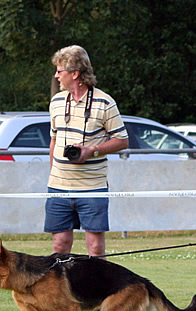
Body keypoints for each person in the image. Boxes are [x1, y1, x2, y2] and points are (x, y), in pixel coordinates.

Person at [46, 45, 129, 257]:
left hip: (92, 186)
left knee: (95, 248)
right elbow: (53, 140)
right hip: (58, 187)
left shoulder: (105, 102)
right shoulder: (56, 101)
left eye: (59, 71)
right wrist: (53, 173)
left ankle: (97, 290)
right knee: (59, 247)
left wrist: (91, 151)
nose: (56, 76)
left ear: (75, 73)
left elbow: (122, 140)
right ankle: (63, 290)